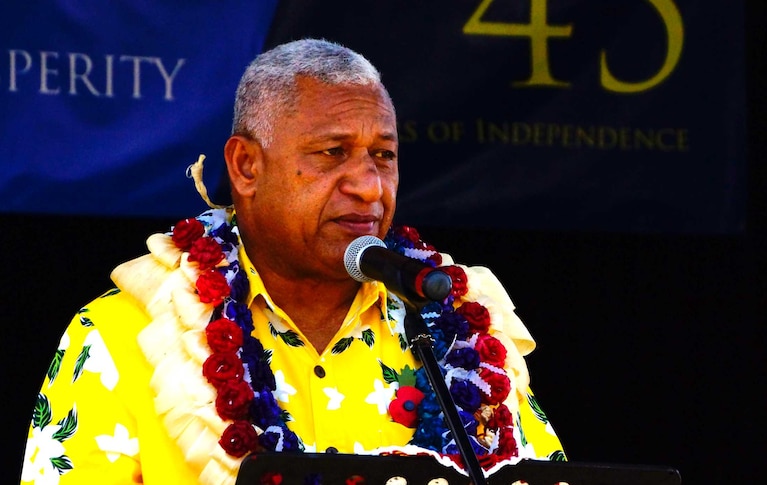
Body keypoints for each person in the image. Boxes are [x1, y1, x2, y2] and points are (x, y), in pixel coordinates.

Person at [20, 38, 566, 485]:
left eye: (384, 155)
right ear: (246, 167)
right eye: (332, 153)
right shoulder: (121, 339)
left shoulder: (463, 330)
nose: (370, 187)